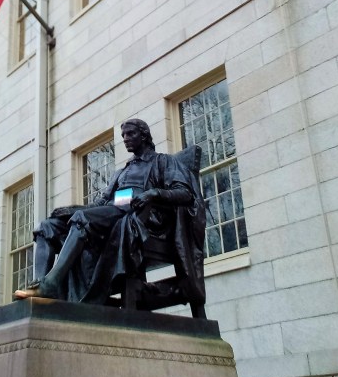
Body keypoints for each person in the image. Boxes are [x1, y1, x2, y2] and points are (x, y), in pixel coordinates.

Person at [15, 119, 205, 311]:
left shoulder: (163, 161)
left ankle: (52, 283)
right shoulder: (122, 172)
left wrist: (154, 193)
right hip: (113, 213)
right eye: (123, 135)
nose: (125, 139)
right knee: (47, 226)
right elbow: (101, 203)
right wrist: (73, 210)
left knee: (82, 220)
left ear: (144, 136)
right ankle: (40, 285)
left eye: (130, 134)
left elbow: (185, 193)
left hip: (143, 219)